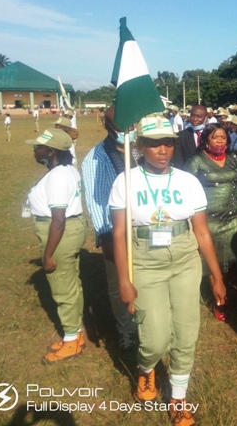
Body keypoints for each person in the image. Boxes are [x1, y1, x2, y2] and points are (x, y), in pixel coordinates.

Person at [109, 114, 226, 425]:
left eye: (168, 143)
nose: (162, 150)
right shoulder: (125, 182)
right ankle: (146, 368)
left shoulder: (188, 181)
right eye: (154, 144)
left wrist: (216, 275)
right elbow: (119, 234)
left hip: (185, 259)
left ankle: (178, 398)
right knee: (155, 338)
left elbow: (201, 232)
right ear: (141, 147)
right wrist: (124, 280)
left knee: (187, 333)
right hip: (145, 262)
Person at [25, 129, 88, 364]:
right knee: (71, 285)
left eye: (38, 147)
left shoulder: (58, 177)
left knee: (63, 288)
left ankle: (72, 341)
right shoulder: (65, 170)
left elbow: (58, 219)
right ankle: (75, 334)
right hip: (68, 230)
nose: (34, 150)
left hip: (59, 233)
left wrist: (48, 254)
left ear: (51, 151)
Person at [81, 107, 139, 350]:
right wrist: (106, 238)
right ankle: (127, 329)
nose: (130, 129)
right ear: (107, 126)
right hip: (117, 234)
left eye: (132, 124)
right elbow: (98, 203)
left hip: (144, 229)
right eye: (122, 125)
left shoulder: (139, 150)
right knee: (119, 284)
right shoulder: (97, 157)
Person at [184, 123, 237, 321]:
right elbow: (185, 187)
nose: (220, 141)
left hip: (233, 217)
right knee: (214, 261)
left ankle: (222, 286)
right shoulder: (196, 161)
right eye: (215, 137)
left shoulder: (234, 159)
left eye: (223, 137)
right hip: (208, 219)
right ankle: (219, 299)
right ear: (206, 140)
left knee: (232, 258)